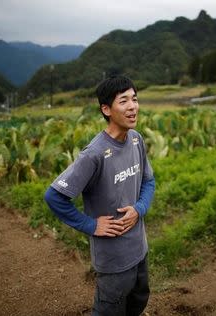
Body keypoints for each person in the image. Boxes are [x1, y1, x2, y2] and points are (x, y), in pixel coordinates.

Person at [44, 75, 155, 316]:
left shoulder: (136, 140)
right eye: (123, 101)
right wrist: (90, 224)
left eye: (134, 99)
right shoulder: (93, 154)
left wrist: (139, 209)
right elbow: (54, 197)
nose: (132, 106)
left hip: (139, 248)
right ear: (106, 109)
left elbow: (149, 181)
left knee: (138, 301)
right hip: (113, 259)